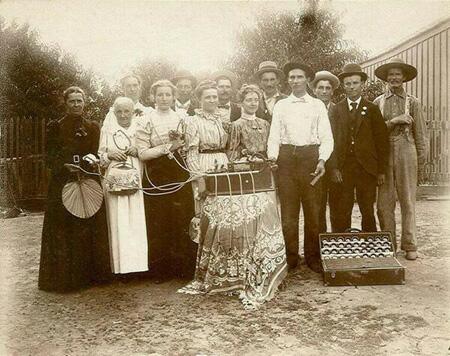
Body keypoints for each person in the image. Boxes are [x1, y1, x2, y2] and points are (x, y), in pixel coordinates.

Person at [179, 80, 287, 309]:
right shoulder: (196, 122)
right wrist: (200, 179)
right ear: (199, 100)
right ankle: (219, 270)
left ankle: (249, 267)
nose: (212, 100)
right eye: (207, 97)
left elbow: (234, 149)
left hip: (234, 167)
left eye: (215, 97)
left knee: (244, 217)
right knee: (214, 218)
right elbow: (199, 153)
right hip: (209, 168)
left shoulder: (228, 121)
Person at [39, 86, 112, 292]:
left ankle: (92, 276)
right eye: (72, 101)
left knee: (89, 226)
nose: (76, 105)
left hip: (88, 180)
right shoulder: (56, 127)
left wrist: (93, 161)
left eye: (79, 101)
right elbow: (49, 157)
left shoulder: (93, 127)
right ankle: (66, 280)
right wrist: (64, 165)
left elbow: (99, 152)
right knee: (65, 228)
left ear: (85, 102)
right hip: (63, 182)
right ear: (66, 103)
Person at [267, 62, 334, 273]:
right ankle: (291, 258)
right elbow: (274, 136)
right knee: (288, 214)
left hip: (310, 159)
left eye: (299, 77)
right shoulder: (281, 106)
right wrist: (273, 158)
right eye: (292, 77)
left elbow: (327, 137)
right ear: (287, 80)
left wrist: (322, 160)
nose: (295, 81)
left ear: (307, 80)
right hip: (287, 160)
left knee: (313, 212)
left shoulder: (317, 105)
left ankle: (313, 257)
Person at [136, 80, 196, 279]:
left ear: (173, 97)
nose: (163, 98)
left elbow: (189, 144)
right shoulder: (146, 119)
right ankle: (160, 270)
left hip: (179, 170)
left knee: (181, 216)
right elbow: (143, 153)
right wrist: (167, 148)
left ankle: (183, 268)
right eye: (159, 95)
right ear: (153, 97)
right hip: (157, 172)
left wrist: (180, 147)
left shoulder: (182, 117)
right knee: (158, 219)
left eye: (167, 95)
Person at [374, 58, 427, 260]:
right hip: (384, 152)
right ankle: (389, 244)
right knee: (384, 202)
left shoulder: (413, 102)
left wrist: (421, 160)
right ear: (386, 79)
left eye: (397, 74)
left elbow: (420, 133)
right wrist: (394, 121)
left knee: (407, 200)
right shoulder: (378, 102)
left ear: (404, 78)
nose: (394, 78)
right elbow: (376, 133)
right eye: (390, 75)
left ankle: (410, 245)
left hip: (407, 150)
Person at [329, 63, 389, 233]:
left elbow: (381, 142)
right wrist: (334, 168)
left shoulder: (372, 109)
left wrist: (381, 171)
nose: (351, 87)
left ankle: (369, 246)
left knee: (367, 209)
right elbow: (329, 140)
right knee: (343, 208)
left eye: (355, 83)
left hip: (367, 168)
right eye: (348, 84)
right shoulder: (336, 110)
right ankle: (342, 247)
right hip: (344, 167)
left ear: (362, 84)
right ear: (343, 86)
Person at [98, 97, 148, 274]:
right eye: (119, 111)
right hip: (115, 177)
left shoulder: (140, 128)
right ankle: (120, 268)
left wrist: (138, 151)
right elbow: (100, 156)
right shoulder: (108, 130)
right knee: (117, 219)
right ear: (114, 112)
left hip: (136, 175)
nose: (123, 115)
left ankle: (139, 267)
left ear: (133, 112)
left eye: (127, 111)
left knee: (136, 219)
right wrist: (110, 154)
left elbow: (148, 151)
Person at [309, 70, 340, 232]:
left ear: (332, 91)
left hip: (334, 166)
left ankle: (336, 244)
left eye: (328, 88)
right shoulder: (308, 110)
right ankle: (319, 245)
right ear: (314, 90)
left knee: (337, 206)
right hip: (314, 164)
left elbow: (339, 141)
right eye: (320, 88)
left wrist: (335, 167)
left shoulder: (338, 110)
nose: (324, 91)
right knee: (317, 207)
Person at [228, 84, 271, 161]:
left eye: (256, 100)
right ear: (241, 103)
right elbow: (233, 152)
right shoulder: (237, 125)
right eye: (249, 100)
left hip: (265, 164)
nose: (253, 103)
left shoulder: (265, 124)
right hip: (246, 165)